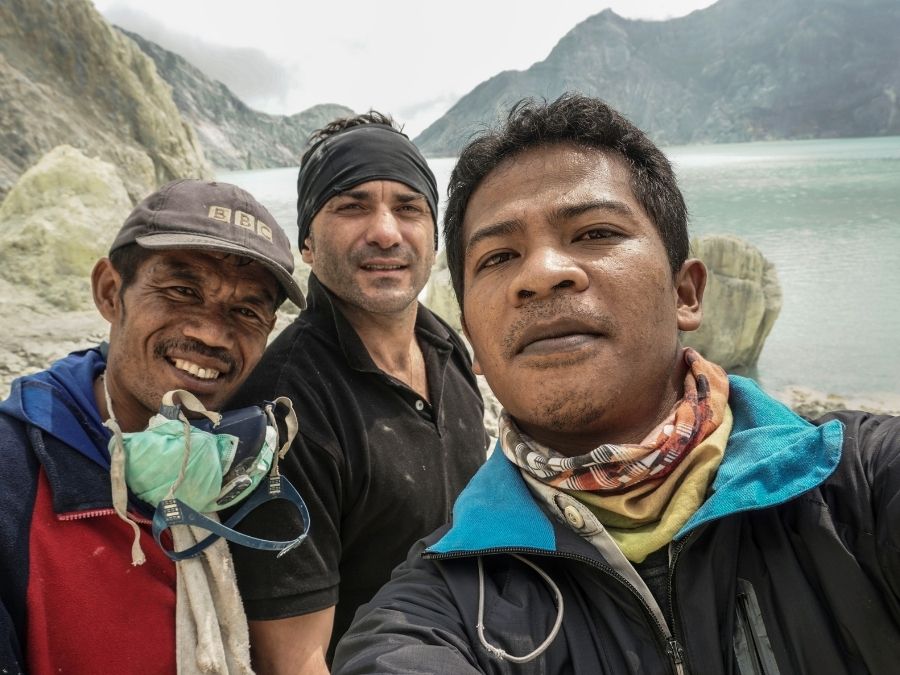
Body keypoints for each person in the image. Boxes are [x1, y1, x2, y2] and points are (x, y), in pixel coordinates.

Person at [332, 94, 900, 674]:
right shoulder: (437, 610)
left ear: (686, 293)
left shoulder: (855, 487)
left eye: (595, 232)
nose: (542, 273)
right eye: (499, 256)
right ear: (473, 339)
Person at [0, 179, 306, 673]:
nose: (210, 332)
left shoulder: (254, 465)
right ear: (109, 292)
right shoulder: (14, 480)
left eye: (246, 310)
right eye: (182, 290)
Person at [225, 111, 489, 672]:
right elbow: (296, 660)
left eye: (409, 207)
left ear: (435, 237)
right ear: (307, 245)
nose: (387, 232)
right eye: (352, 206)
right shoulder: (284, 409)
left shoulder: (445, 347)